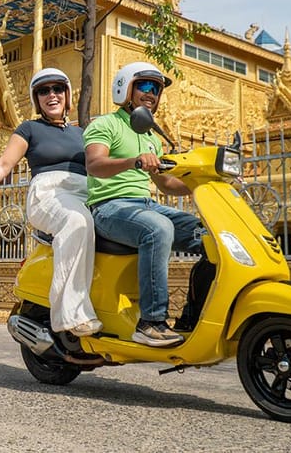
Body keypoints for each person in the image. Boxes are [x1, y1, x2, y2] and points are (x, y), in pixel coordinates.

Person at [0, 68, 102, 337]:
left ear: (67, 95)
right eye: (43, 91)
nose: (52, 95)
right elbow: (3, 164)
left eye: (57, 89)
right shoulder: (30, 129)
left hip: (85, 194)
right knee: (77, 222)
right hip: (50, 194)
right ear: (37, 99)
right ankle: (69, 315)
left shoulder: (83, 133)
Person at [84, 61, 210, 347]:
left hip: (144, 205)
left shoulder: (151, 137)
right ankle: (150, 322)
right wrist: (134, 161)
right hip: (109, 207)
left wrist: (205, 183)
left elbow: (166, 184)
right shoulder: (105, 124)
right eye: (145, 86)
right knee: (159, 228)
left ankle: (192, 317)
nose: (151, 93)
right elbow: (95, 164)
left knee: (209, 235)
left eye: (156, 89)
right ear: (126, 88)